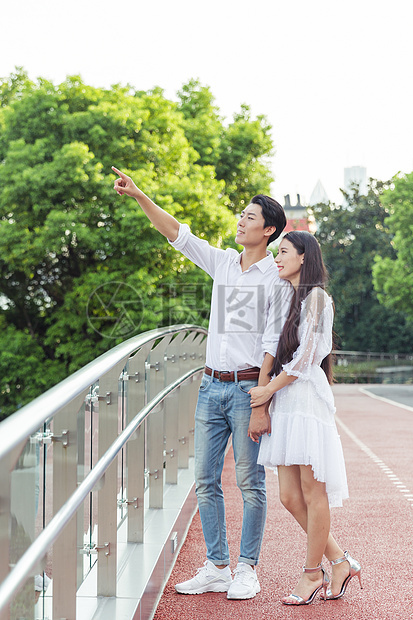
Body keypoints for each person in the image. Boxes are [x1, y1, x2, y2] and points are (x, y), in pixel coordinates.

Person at [112, 166, 292, 599]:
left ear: (268, 230)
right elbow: (177, 234)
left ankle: (247, 568)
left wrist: (262, 400)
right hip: (210, 387)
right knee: (205, 480)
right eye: (241, 215)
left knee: (250, 482)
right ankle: (216, 565)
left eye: (249, 217)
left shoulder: (276, 277)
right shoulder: (224, 262)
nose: (240, 221)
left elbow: (273, 339)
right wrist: (139, 195)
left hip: (250, 388)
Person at [249, 230, 362, 606]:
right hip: (287, 402)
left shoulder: (317, 299)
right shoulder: (290, 299)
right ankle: (339, 560)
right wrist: (271, 395)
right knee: (288, 495)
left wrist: (267, 391)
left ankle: (313, 572)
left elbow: (307, 356)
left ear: (303, 257)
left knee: (313, 493)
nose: (276, 258)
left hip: (305, 402)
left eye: (282, 252)